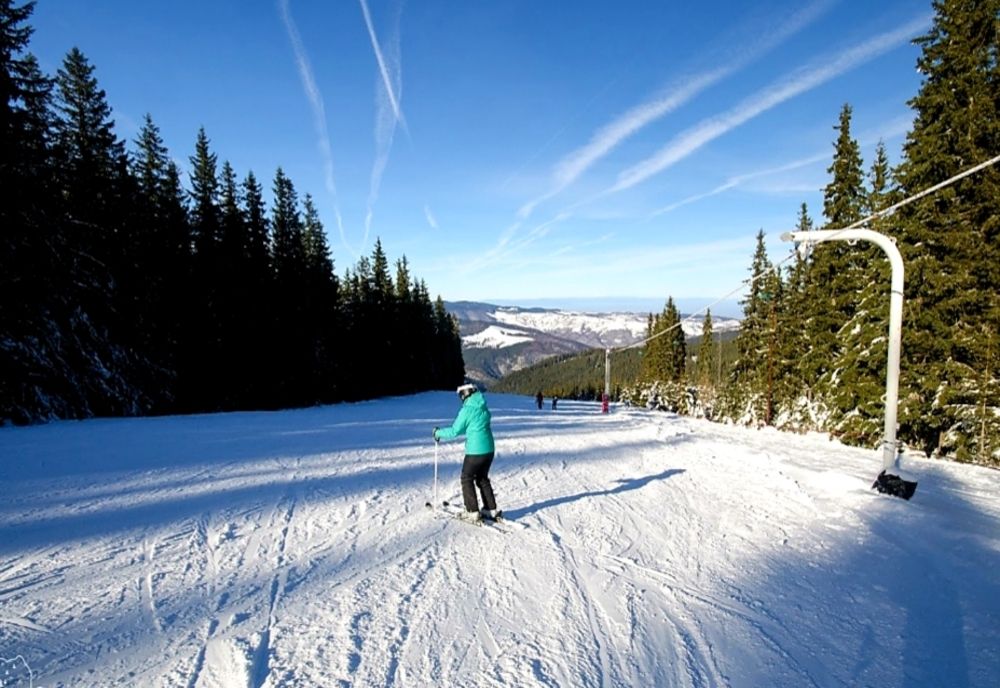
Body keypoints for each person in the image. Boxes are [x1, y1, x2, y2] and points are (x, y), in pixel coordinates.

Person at [433, 384, 500, 523]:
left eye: (461, 395)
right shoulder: (483, 408)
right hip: (489, 450)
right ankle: (490, 508)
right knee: (482, 478)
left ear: (465, 394)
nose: (461, 398)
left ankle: (472, 511)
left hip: (475, 451)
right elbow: (471, 426)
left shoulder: (467, 410)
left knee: (466, 478)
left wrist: (437, 433)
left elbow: (454, 431)